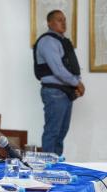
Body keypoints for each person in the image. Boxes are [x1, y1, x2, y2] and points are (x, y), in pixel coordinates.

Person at [33, 10, 85, 156]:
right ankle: (48, 169)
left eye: (64, 19)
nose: (63, 22)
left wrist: (76, 84)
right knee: (53, 132)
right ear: (49, 22)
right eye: (58, 20)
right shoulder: (48, 41)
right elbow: (58, 69)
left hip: (64, 92)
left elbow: (68, 66)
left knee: (61, 133)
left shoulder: (61, 40)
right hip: (55, 92)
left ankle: (55, 167)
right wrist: (77, 83)